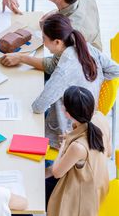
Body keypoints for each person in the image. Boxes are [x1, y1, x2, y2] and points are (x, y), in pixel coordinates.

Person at [31, 14, 119, 148]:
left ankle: (46, 165)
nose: (43, 43)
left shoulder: (64, 70)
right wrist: (94, 77)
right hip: (89, 115)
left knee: (27, 120)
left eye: (44, 39)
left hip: (67, 132)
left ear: (57, 42)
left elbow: (38, 107)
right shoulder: (86, 47)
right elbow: (115, 70)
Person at [0, 0, 102, 74]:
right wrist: (56, 13)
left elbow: (54, 66)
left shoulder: (69, 31)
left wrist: (21, 58)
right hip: (92, 52)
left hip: (82, 70)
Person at [45, 86, 111, 216]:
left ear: (67, 113)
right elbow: (108, 151)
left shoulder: (78, 147)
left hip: (83, 197)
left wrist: (63, 147)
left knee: (41, 184)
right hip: (100, 185)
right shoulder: (100, 118)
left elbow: (56, 172)